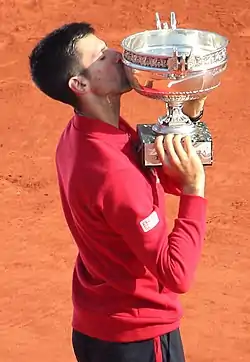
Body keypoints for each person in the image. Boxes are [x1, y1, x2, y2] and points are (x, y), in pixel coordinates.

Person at [29, 22, 207, 362]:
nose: (116, 55)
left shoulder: (83, 134)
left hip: (100, 327)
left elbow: (148, 181)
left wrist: (190, 116)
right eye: (101, 56)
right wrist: (193, 192)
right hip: (137, 340)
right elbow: (176, 274)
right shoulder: (113, 172)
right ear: (79, 84)